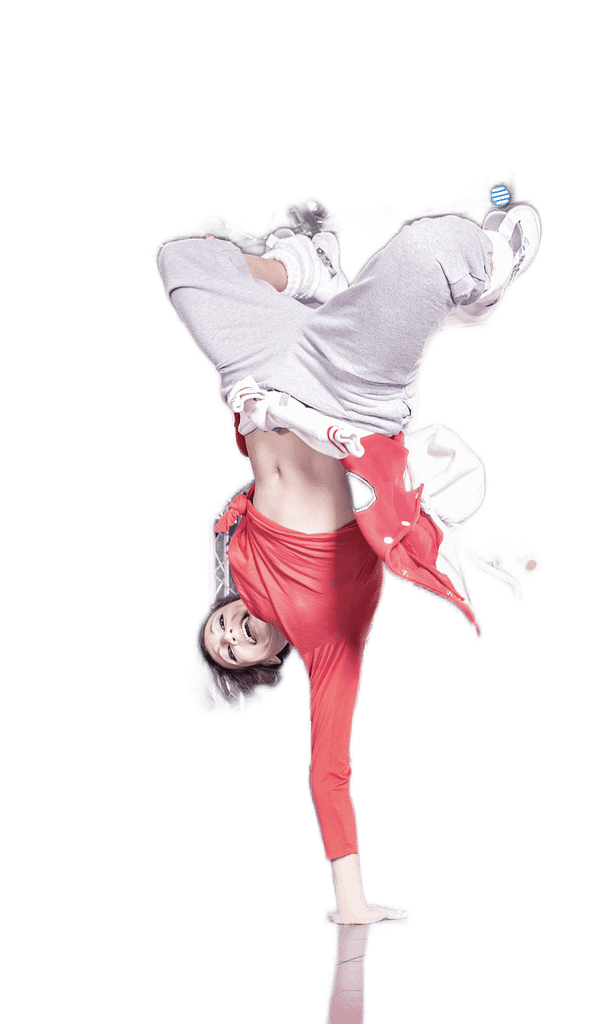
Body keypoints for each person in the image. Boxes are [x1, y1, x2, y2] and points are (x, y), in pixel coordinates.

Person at [151, 188, 542, 924]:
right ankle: (489, 269)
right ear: (267, 665)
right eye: (234, 650)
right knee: (426, 252)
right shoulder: (329, 639)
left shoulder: (236, 559)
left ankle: (303, 269)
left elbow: (230, 510)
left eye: (217, 627)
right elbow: (328, 774)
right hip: (344, 394)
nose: (229, 630)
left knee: (182, 258)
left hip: (259, 371)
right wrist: (352, 904)